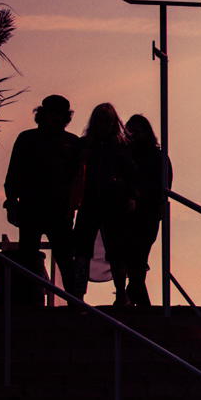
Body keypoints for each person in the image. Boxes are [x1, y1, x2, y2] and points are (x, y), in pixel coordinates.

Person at [2, 94, 83, 304]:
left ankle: (74, 302)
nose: (56, 117)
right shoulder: (27, 139)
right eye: (52, 113)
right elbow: (14, 173)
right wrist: (12, 204)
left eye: (60, 114)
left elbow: (80, 179)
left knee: (65, 259)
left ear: (66, 117)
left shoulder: (73, 143)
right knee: (28, 258)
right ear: (43, 114)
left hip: (61, 211)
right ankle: (30, 303)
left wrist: (75, 206)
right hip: (31, 209)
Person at [70, 103, 134, 304]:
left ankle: (120, 293)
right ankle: (79, 294)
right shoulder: (85, 146)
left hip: (112, 204)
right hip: (90, 203)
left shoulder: (120, 148)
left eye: (108, 122)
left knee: (115, 249)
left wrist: (132, 195)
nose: (104, 126)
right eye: (101, 121)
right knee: (84, 249)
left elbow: (132, 175)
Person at [112, 113, 166, 308]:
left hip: (148, 215)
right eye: (128, 132)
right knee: (131, 259)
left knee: (138, 258)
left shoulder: (157, 156)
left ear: (146, 133)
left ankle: (135, 302)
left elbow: (164, 185)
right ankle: (141, 304)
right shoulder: (123, 155)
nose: (131, 136)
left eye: (136, 132)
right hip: (126, 214)